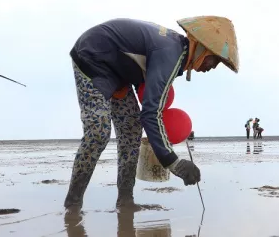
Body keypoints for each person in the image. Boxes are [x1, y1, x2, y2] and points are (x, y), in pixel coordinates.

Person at [64, 16, 239, 213]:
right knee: (98, 133)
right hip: (92, 56)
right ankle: (73, 203)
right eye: (214, 59)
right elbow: (150, 112)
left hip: (119, 74)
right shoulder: (170, 53)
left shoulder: (176, 51)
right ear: (201, 48)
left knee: (131, 132)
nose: (212, 67)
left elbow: (145, 84)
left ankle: (125, 200)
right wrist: (173, 162)